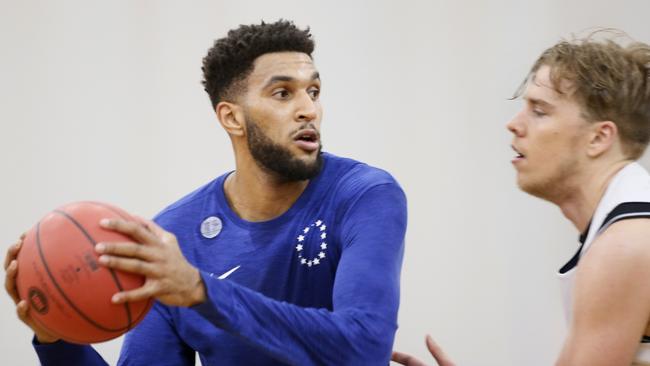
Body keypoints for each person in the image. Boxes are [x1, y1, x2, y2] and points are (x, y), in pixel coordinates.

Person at [4, 20, 407, 365]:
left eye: (314, 91)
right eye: (283, 93)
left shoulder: (364, 196)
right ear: (231, 117)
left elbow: (364, 348)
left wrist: (200, 290)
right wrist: (56, 339)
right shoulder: (171, 239)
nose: (309, 109)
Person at [392, 32, 650, 366]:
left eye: (539, 111)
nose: (513, 124)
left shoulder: (622, 246)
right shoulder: (622, 230)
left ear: (599, 137)